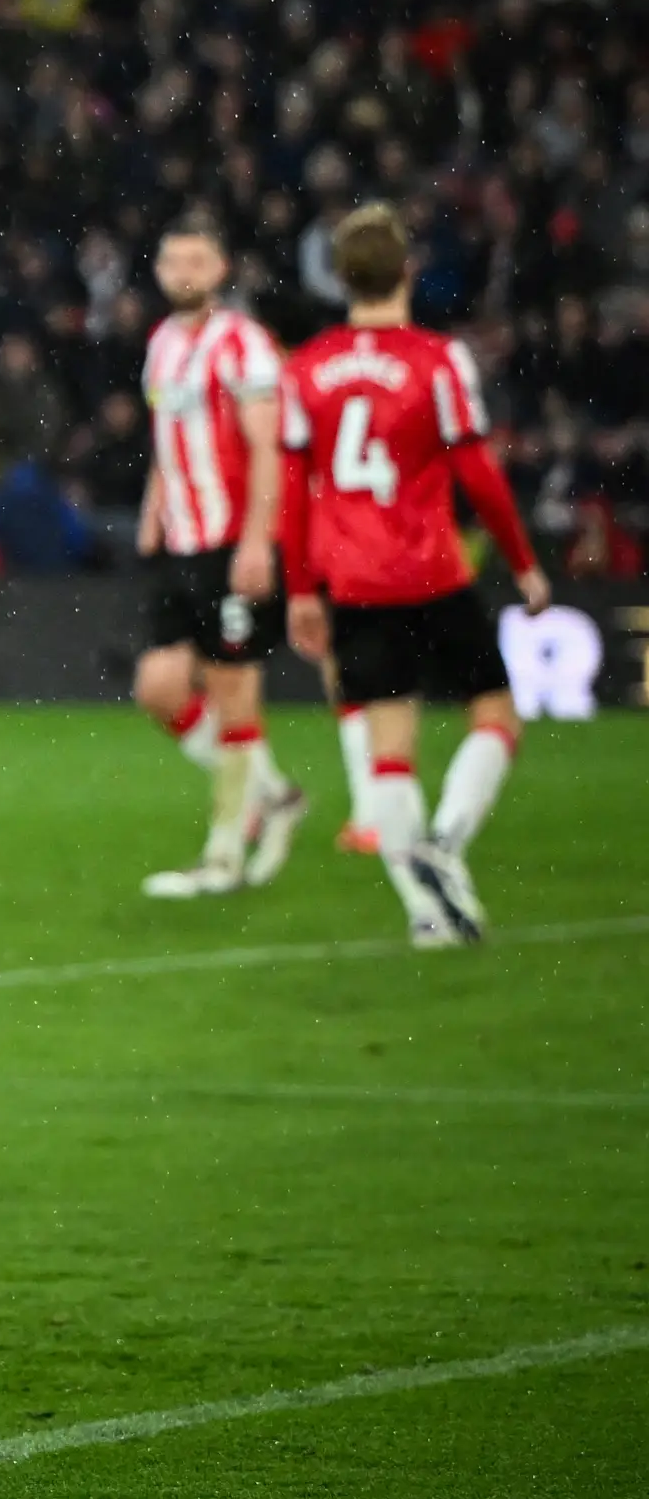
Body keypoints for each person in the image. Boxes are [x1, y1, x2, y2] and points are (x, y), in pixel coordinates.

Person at [278, 205, 551, 948]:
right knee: (495, 714)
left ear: (341, 279)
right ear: (407, 271)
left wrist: (300, 590)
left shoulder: (306, 370)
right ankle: (447, 841)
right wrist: (523, 562)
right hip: (430, 570)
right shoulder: (438, 360)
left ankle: (428, 916)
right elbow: (478, 473)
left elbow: (295, 491)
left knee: (390, 746)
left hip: (354, 582)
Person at [130, 216, 317, 897]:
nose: (184, 272)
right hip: (180, 540)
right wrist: (153, 505)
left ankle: (224, 856)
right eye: (173, 260)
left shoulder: (243, 343)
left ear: (220, 270)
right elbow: (167, 433)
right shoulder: (160, 344)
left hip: (230, 540)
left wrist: (258, 541)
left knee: (235, 694)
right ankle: (272, 795)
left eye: (197, 261)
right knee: (158, 687)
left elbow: (268, 446)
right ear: (159, 271)